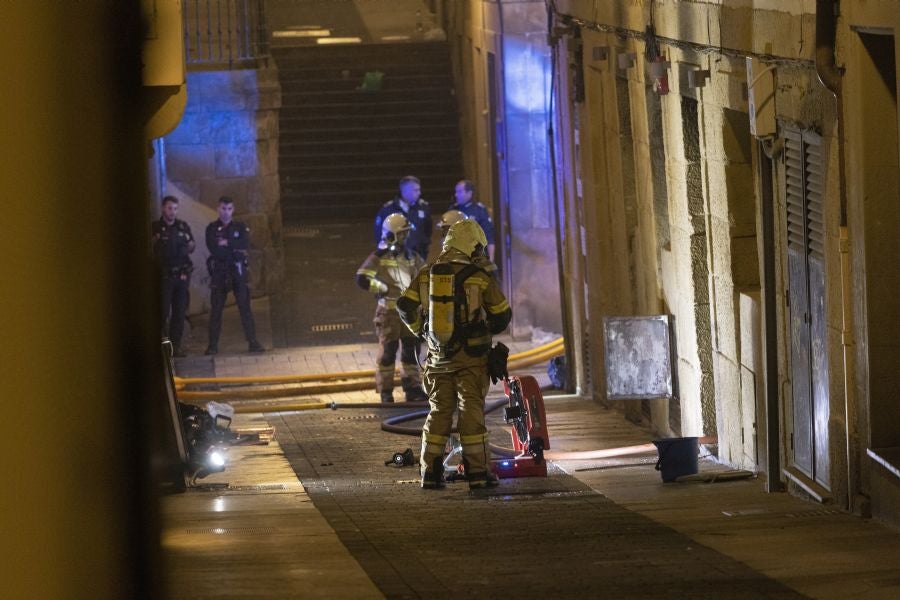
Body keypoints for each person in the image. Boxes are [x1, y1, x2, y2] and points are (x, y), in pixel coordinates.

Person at [397, 219, 512, 490]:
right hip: (471, 359)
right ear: (471, 246)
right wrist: (484, 327)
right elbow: (502, 315)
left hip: (437, 359)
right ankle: (478, 473)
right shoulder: (479, 276)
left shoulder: (427, 274)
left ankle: (431, 473)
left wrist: (421, 332)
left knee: (438, 411)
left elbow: (404, 306)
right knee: (470, 410)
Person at [356, 213, 427, 403]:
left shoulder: (412, 256)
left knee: (411, 352)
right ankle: (386, 392)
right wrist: (381, 288)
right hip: (388, 314)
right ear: (391, 235)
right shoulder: (379, 257)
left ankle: (412, 389)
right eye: (401, 234)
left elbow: (425, 277)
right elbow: (362, 277)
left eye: (405, 234)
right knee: (388, 352)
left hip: (410, 313)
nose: (405, 237)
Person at [204, 196, 265, 355]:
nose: (226, 212)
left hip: (237, 270)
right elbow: (214, 248)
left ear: (233, 210)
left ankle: (253, 342)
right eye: (223, 208)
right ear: (218, 209)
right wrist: (232, 246)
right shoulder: (211, 228)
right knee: (216, 309)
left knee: (245, 307)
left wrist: (227, 242)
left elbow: (244, 244)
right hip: (220, 272)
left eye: (229, 209)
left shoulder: (240, 226)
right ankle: (212, 345)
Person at [151, 195, 195, 357]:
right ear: (163, 208)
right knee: (162, 313)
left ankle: (175, 347)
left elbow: (192, 246)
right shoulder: (155, 227)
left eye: (175, 208)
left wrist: (188, 246)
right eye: (170, 208)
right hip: (164, 277)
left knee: (179, 313)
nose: (173, 212)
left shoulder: (183, 226)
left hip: (181, 276)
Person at [374, 175, 432, 261]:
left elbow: (428, 230)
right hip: (395, 257)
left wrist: (423, 246)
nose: (419, 193)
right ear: (405, 191)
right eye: (416, 190)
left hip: (418, 256)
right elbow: (379, 233)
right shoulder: (388, 210)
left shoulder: (423, 207)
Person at [437, 209, 498, 278]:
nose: (444, 236)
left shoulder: (483, 266)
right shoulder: (441, 264)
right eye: (444, 232)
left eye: (447, 231)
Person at [449, 179, 495, 260]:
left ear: (469, 193)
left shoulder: (479, 210)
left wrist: (490, 260)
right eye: (456, 192)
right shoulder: (453, 209)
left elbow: (489, 237)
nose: (456, 195)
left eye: (459, 192)